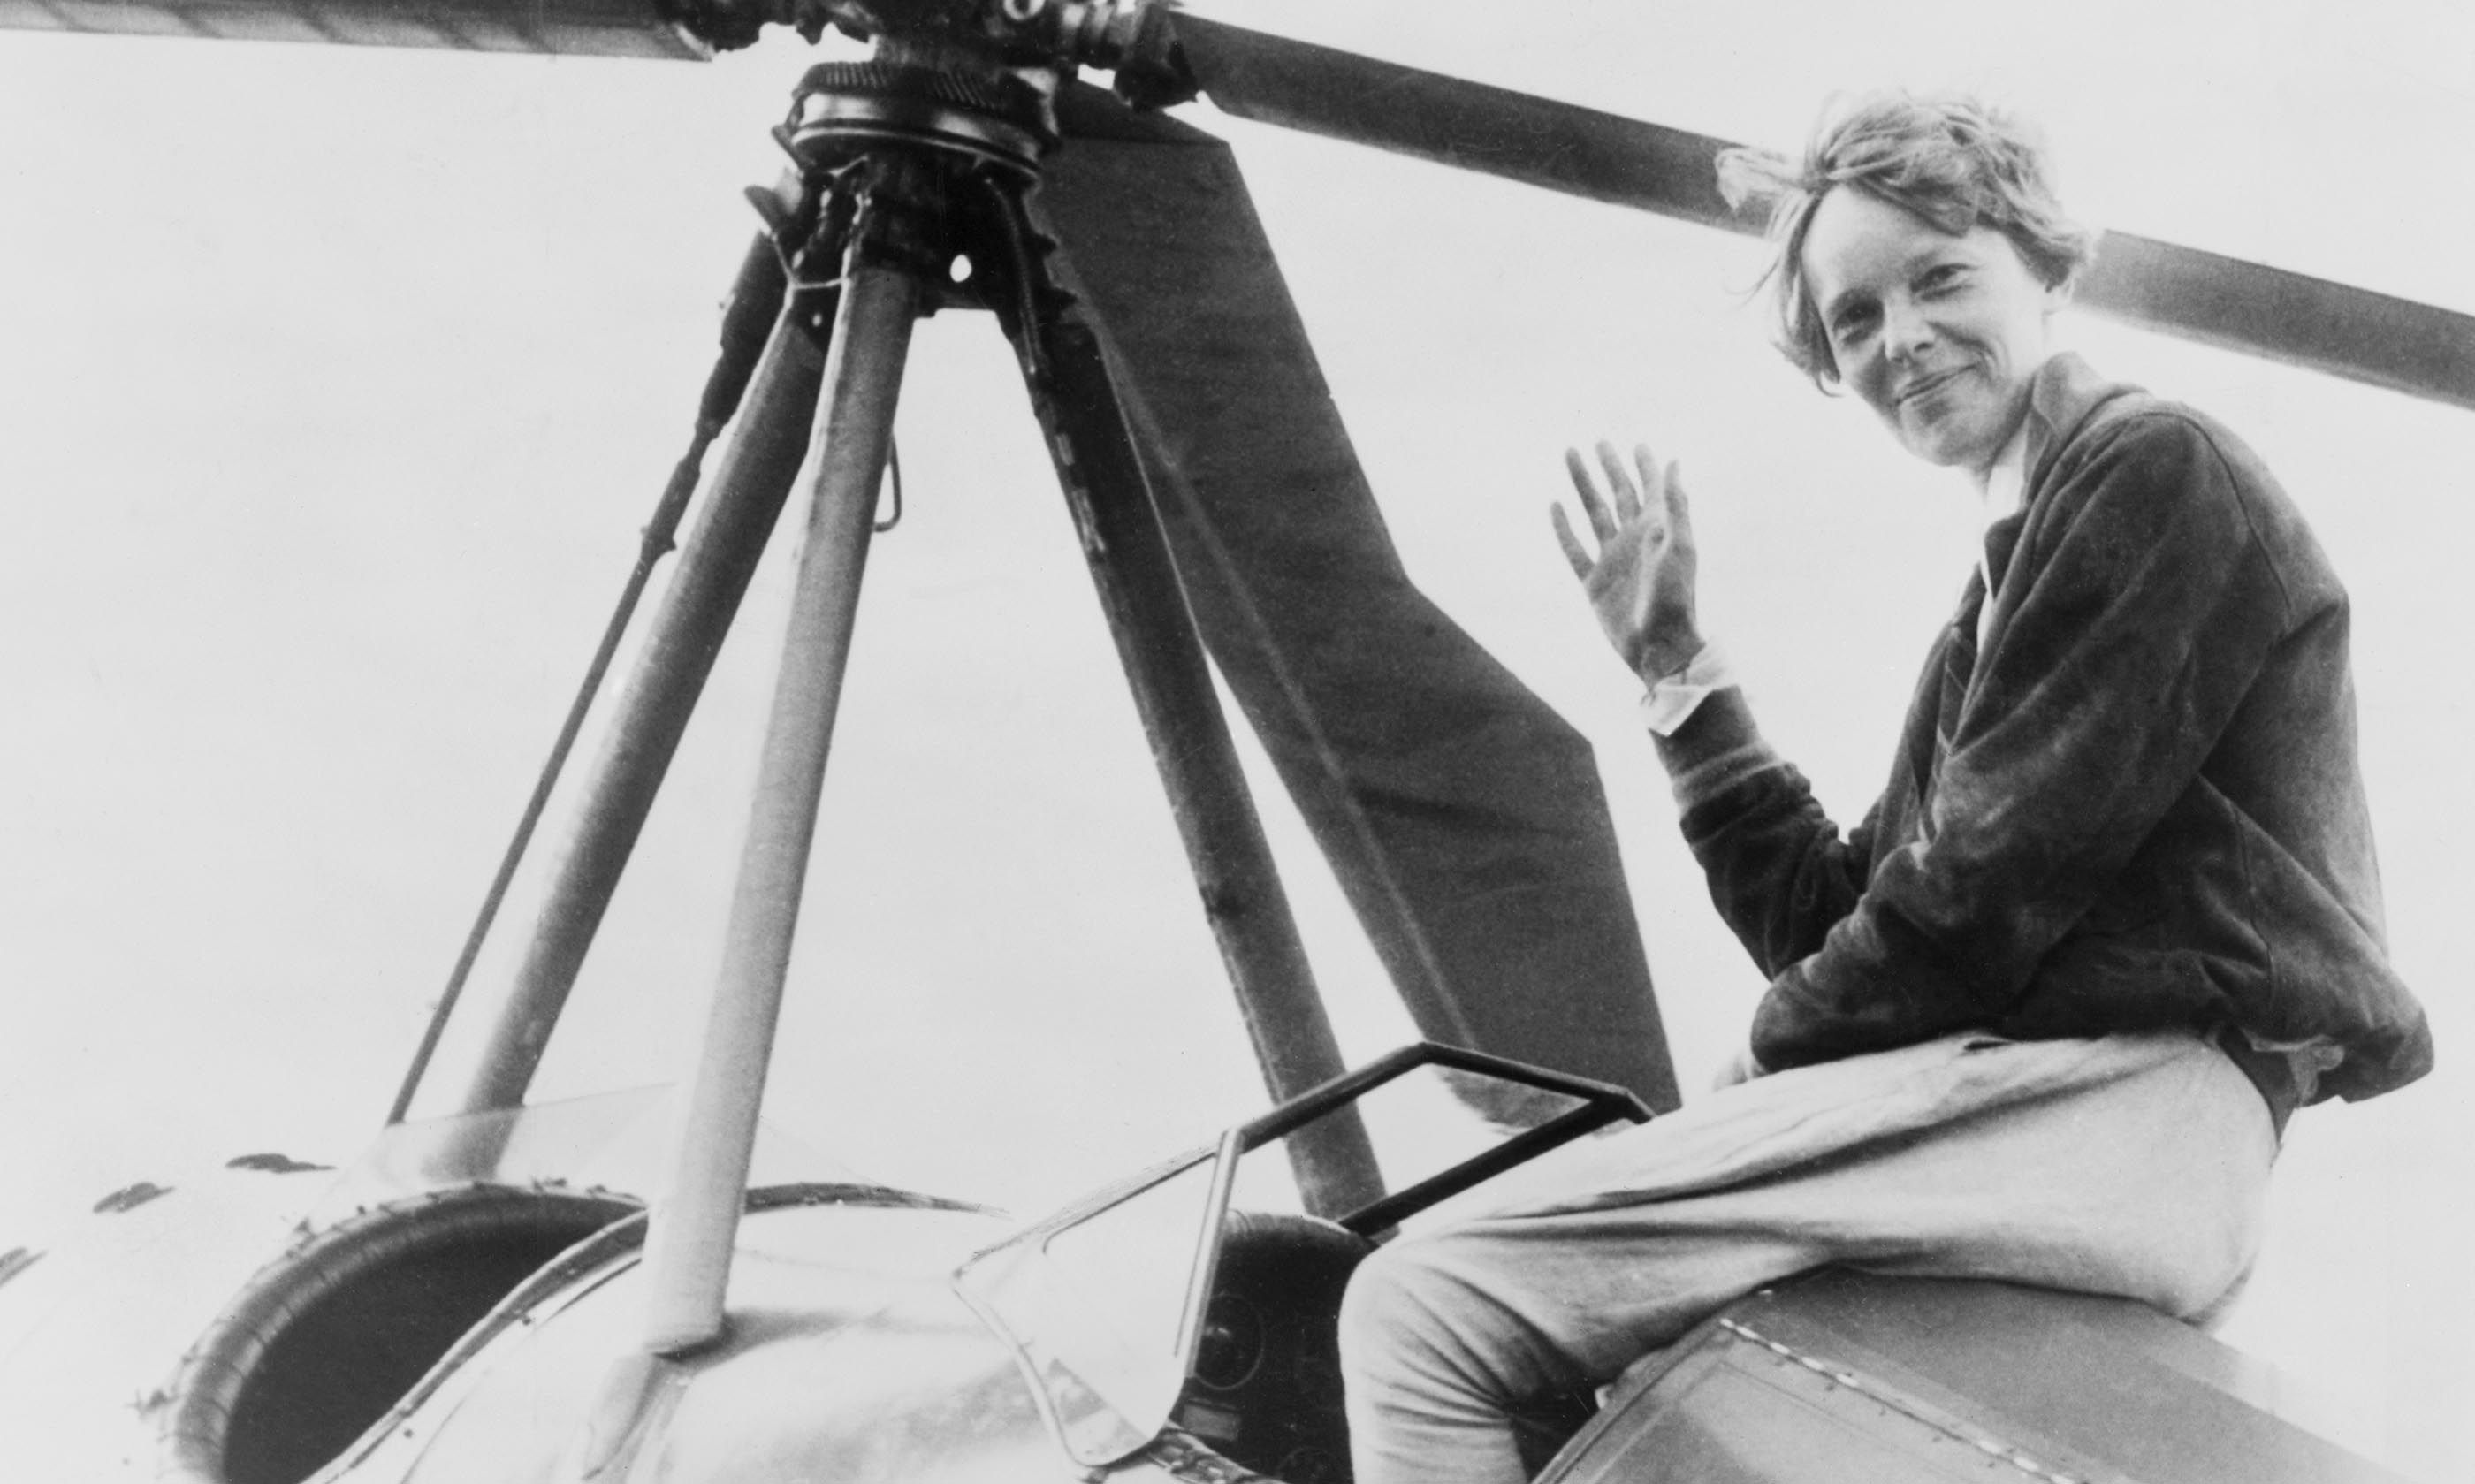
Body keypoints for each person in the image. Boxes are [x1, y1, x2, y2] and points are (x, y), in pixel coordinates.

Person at [1333, 92, 2433, 1484]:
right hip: (2070, 1122)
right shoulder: (2004, 592)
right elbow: (1844, 916)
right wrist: (1677, 669)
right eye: (1854, 321)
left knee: (1424, 1307)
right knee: (1613, 1385)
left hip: (2120, 1110)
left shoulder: (2152, 471)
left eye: (1940, 279)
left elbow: (1971, 905)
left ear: (2046, 267)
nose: (1900, 339)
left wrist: (1747, 1075)